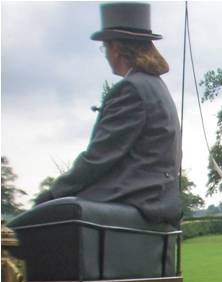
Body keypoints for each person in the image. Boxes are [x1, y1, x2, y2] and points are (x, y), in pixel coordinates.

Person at [32, 3, 181, 224]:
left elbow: (99, 157)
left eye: (104, 48)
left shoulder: (131, 89)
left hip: (132, 196)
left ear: (116, 49)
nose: (105, 55)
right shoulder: (157, 87)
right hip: (158, 197)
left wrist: (52, 194)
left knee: (45, 222)